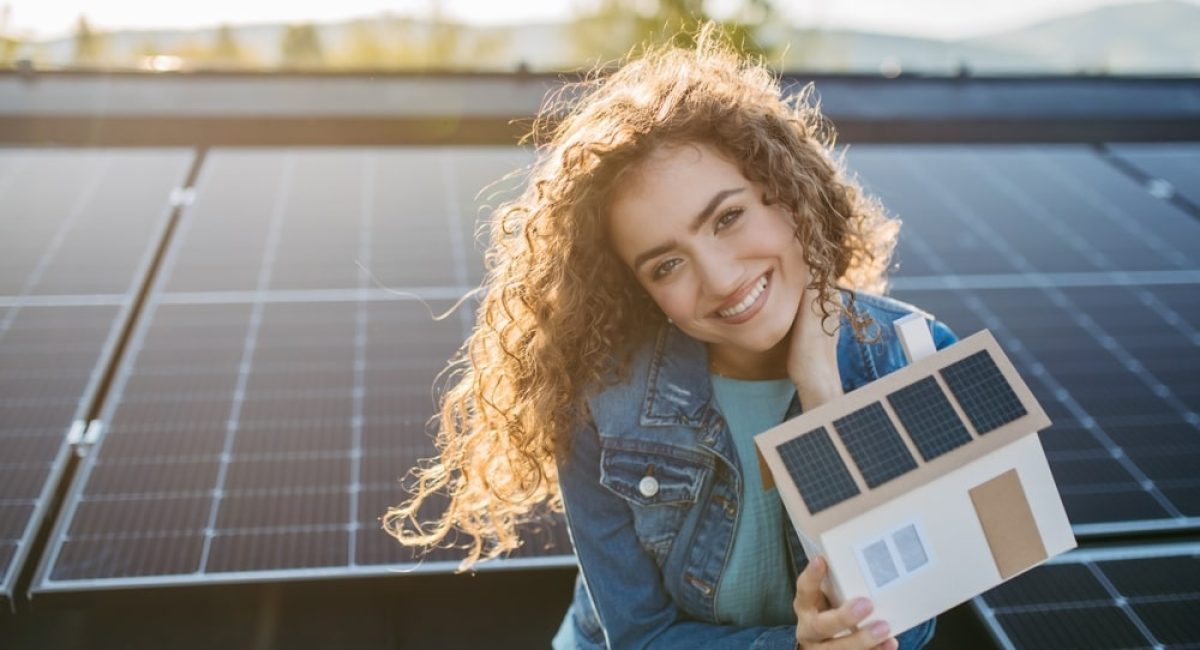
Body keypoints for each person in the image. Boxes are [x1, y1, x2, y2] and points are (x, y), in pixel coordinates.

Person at [385, 25, 956, 650]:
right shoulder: (600, 402)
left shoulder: (919, 358)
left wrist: (825, 393)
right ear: (639, 290)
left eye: (728, 217)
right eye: (666, 265)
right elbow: (638, 637)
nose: (719, 279)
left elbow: (911, 620)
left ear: (787, 193)